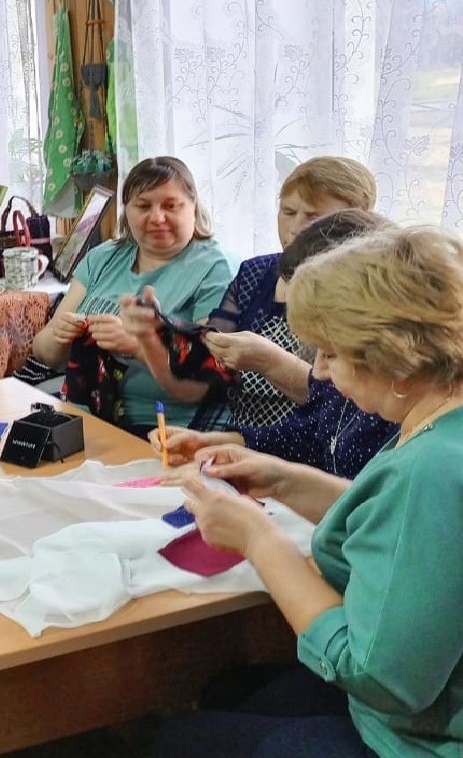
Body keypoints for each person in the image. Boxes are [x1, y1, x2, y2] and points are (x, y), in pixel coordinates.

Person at [158, 225, 463, 757]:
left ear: (396, 360)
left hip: (413, 740)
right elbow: (403, 531)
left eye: (331, 354)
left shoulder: (432, 469)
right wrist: (283, 479)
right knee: (227, 693)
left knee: (177, 739)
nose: (318, 371)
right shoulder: (440, 422)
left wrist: (259, 540)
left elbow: (381, 680)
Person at [124, 157, 377, 430]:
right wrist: (159, 331)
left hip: (304, 450)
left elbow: (345, 408)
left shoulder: (367, 293)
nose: (296, 227)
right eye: (288, 211)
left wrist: (270, 361)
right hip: (234, 440)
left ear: (356, 219)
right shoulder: (256, 273)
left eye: (313, 216)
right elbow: (205, 367)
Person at [145, 211, 400, 479]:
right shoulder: (349, 389)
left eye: (330, 353)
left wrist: (277, 485)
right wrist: (216, 442)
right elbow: (304, 436)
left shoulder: (401, 424)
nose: (317, 371)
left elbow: (362, 497)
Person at [29, 156, 233, 435]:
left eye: (171, 206)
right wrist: (62, 336)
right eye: (144, 206)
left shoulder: (215, 268)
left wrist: (138, 346)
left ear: (193, 207)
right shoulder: (103, 258)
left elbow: (212, 375)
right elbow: (43, 351)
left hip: (169, 430)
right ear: (127, 210)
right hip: (90, 418)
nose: (157, 217)